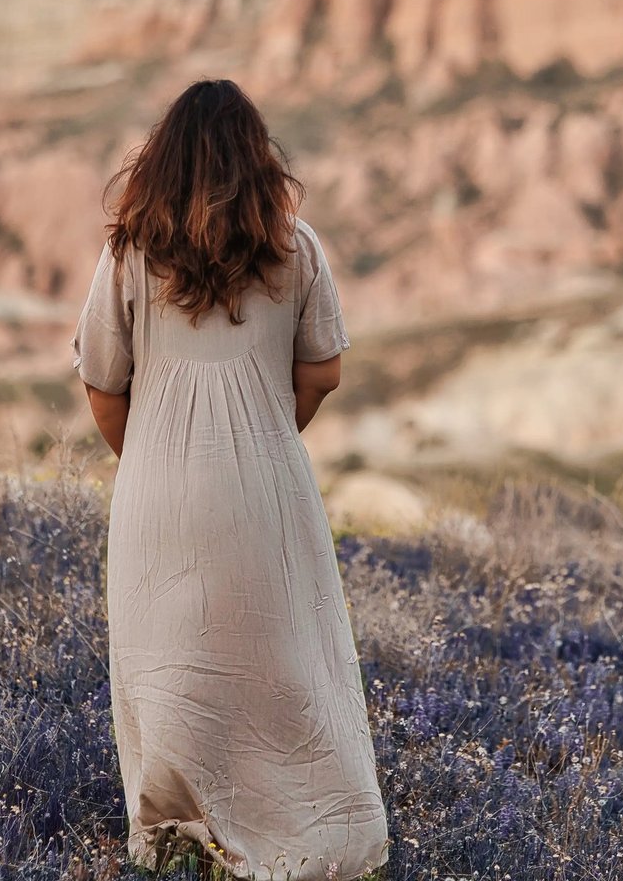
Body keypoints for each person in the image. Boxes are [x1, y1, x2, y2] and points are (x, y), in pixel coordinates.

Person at [71, 78, 389, 879]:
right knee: (284, 663)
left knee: (167, 665)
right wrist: (268, 435)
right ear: (258, 158)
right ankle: (307, 843)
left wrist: (148, 454)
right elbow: (324, 372)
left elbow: (103, 386)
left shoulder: (128, 255)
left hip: (155, 491)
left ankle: (180, 843)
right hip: (265, 484)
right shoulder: (295, 246)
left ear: (164, 160)